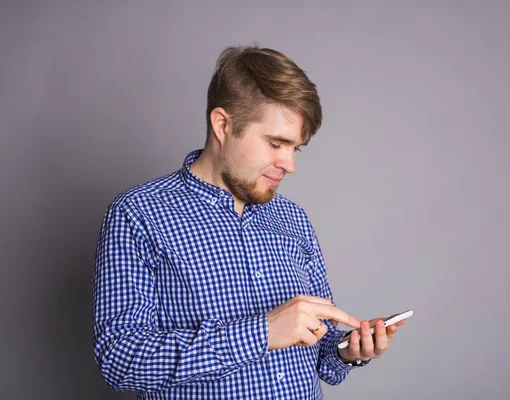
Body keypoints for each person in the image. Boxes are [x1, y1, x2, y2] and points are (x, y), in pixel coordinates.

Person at [92, 45, 406, 399]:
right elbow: (120, 361)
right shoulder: (138, 214)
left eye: (295, 148)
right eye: (276, 143)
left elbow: (319, 351)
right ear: (223, 124)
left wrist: (348, 351)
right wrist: (263, 332)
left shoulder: (293, 219)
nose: (289, 164)